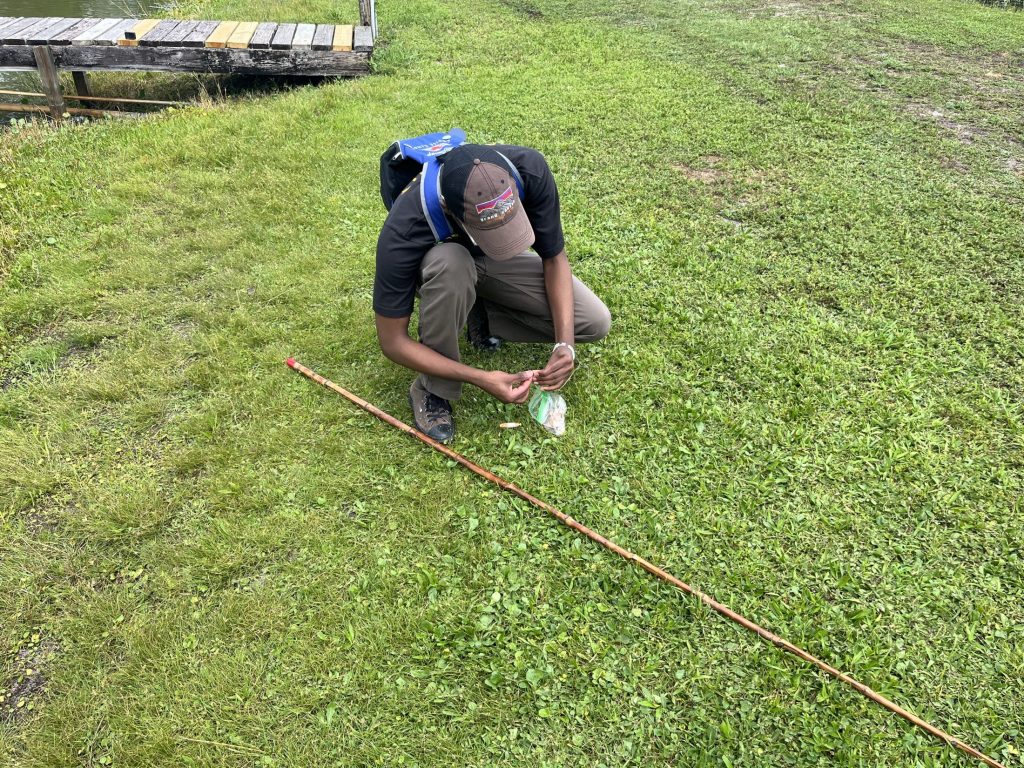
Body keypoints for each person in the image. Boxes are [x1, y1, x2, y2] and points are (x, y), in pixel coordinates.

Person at [373, 142, 611, 443]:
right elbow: (392, 341)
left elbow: (554, 259)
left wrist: (565, 344)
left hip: (484, 261)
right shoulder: (404, 228)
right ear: (451, 211)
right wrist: (480, 378)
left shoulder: (529, 169)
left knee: (593, 320)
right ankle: (432, 389)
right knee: (452, 264)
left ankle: (481, 319)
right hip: (442, 267)